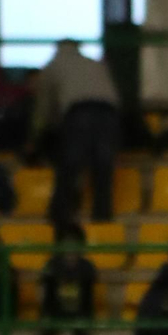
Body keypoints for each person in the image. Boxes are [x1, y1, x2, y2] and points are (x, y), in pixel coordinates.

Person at [34, 39, 122, 228]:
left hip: (78, 113)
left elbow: (44, 109)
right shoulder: (95, 64)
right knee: (103, 166)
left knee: (70, 165)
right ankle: (102, 215)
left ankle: (60, 214)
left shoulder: (53, 66)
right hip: (109, 114)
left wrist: (38, 134)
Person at [38, 224, 98, 335]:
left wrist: (87, 318)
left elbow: (88, 298)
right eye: (67, 243)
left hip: (78, 313)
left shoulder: (87, 267)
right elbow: (46, 295)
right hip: (57, 313)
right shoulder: (52, 265)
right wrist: (46, 316)